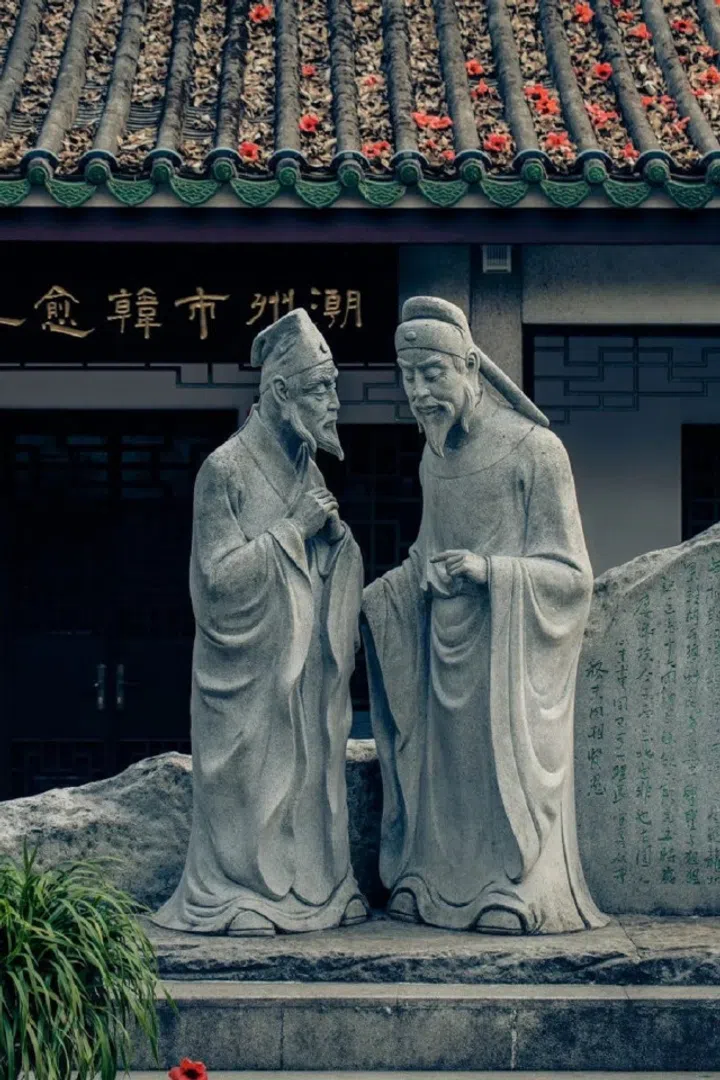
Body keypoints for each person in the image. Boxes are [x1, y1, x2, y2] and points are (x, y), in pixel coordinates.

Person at [361, 296, 607, 934]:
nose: (418, 392)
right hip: (445, 656)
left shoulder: (536, 451)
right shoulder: (432, 456)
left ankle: (512, 886)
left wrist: (491, 572)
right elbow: (424, 553)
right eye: (407, 376)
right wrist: (384, 594)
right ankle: (434, 881)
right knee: (443, 781)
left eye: (432, 374)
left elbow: (572, 576)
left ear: (469, 365)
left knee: (498, 780)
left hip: (508, 660)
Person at [153, 308, 368, 936]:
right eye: (321, 388)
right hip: (245, 684)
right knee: (250, 789)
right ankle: (237, 892)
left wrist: (333, 544)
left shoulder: (309, 466)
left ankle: (318, 888)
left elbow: (321, 558)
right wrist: (291, 533)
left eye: (334, 387)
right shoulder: (224, 471)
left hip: (300, 680)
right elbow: (217, 584)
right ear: (279, 392)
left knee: (310, 775)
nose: (333, 403)